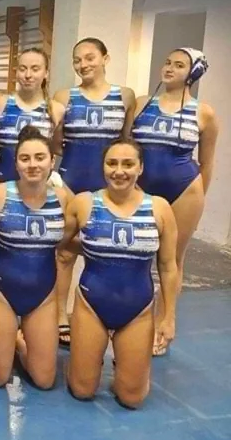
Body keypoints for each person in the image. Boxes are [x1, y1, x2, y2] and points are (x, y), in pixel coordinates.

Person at [60, 137, 178, 408]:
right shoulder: (84, 203)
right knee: (82, 390)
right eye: (111, 163)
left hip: (138, 308)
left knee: (132, 398)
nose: (119, 171)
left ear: (141, 168)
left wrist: (168, 317)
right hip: (91, 304)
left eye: (128, 164)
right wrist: (93, 248)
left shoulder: (159, 208)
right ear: (102, 166)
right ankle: (87, 363)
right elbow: (59, 243)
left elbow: (168, 266)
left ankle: (126, 366)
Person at [132, 48, 218, 356]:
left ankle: (164, 322)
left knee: (171, 259)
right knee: (137, 256)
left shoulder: (203, 113)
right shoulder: (141, 104)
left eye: (179, 65)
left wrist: (198, 194)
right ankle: (134, 321)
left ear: (193, 74)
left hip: (185, 190)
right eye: (168, 62)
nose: (169, 68)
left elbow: (207, 162)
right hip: (142, 189)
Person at [52, 38, 135, 347]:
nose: (83, 64)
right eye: (77, 60)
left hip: (108, 185)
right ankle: (60, 315)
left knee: (106, 252)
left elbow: (125, 141)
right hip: (71, 179)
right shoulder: (65, 96)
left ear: (105, 58)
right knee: (64, 252)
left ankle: (102, 314)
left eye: (89, 58)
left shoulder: (124, 96)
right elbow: (55, 141)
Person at [0, 126, 71, 389]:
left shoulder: (63, 198)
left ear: (52, 162)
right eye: (25, 158)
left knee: (45, 380)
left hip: (42, 295)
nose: (32, 165)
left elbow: (68, 240)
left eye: (40, 158)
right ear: (16, 164)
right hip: (2, 292)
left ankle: (19, 343)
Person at [0, 48, 64, 183]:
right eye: (22, 69)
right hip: (1, 183)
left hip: (40, 187)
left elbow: (55, 149)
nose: (28, 75)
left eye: (35, 69)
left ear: (46, 73)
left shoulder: (56, 110)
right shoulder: (0, 104)